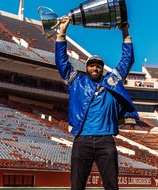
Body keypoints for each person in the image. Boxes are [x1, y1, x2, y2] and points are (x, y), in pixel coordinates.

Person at [55, 17, 139, 190]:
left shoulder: (112, 81)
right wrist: (62, 32)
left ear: (102, 68)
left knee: (111, 186)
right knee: (76, 186)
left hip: (106, 141)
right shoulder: (76, 81)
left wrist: (125, 32)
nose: (95, 68)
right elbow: (62, 61)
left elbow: (127, 60)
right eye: (91, 65)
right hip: (81, 140)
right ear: (86, 68)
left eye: (98, 66)